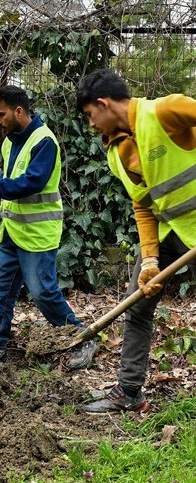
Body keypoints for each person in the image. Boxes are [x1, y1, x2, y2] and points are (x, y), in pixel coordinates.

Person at [75, 69, 195, 412]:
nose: (91, 125)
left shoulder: (166, 111)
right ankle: (129, 392)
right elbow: (143, 206)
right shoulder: (115, 152)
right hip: (172, 233)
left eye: (89, 116)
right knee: (138, 305)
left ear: (103, 103)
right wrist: (150, 261)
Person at [0, 85, 93, 367]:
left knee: (43, 292)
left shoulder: (44, 141)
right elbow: (9, 177)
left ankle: (82, 336)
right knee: (1, 289)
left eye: (0, 114)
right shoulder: (11, 141)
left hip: (37, 234)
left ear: (18, 111)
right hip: (12, 231)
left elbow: (28, 184)